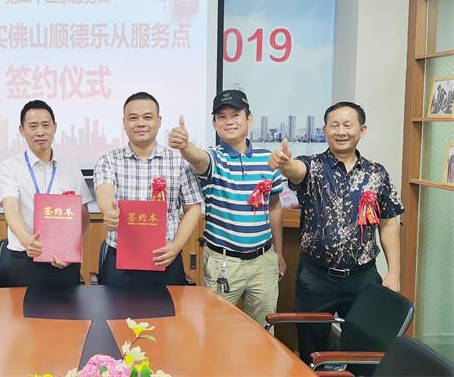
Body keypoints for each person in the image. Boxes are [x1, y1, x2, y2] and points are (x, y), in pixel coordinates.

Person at [268, 101, 403, 363]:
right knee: (312, 352)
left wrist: (394, 273)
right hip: (316, 278)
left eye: (348, 125)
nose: (341, 131)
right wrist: (284, 164)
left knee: (365, 350)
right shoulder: (313, 166)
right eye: (334, 125)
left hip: (363, 277)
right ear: (325, 130)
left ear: (362, 130)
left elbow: (388, 223)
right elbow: (296, 171)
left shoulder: (377, 173)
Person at [168, 89, 285, 327]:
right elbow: (198, 158)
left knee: (263, 331)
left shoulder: (268, 159)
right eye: (222, 117)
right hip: (223, 263)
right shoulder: (214, 158)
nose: (229, 121)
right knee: (217, 331)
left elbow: (274, 207)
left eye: (235, 115)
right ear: (214, 124)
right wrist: (185, 146)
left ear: (249, 119)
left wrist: (279, 254)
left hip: (263, 261)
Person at [94, 92, 203, 287]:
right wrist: (109, 211)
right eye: (133, 118)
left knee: (169, 308)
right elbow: (104, 192)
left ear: (159, 121)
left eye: (147, 117)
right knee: (115, 308)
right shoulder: (108, 160)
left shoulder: (179, 161)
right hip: (120, 260)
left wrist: (176, 246)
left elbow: (193, 208)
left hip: (166, 257)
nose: (140, 123)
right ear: (124, 122)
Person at [0, 100, 92, 287]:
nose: (40, 132)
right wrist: (26, 240)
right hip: (25, 259)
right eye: (33, 126)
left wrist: (73, 250)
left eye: (46, 125)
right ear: (22, 130)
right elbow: (11, 209)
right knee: (23, 308)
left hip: (64, 262)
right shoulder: (9, 167)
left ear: (54, 127)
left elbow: (84, 216)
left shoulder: (70, 167)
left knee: (68, 307)